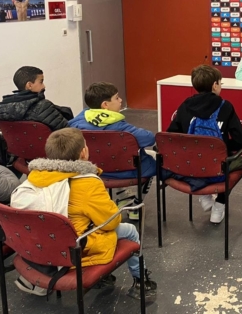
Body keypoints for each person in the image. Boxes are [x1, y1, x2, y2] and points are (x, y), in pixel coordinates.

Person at [10, 128, 157, 299]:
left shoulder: (35, 176)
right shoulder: (87, 183)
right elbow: (111, 222)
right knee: (130, 231)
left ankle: (104, 279)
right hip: (76, 247)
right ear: (84, 152)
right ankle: (141, 282)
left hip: (41, 244)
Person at [167, 65, 242, 224]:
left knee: (196, 159)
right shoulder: (225, 106)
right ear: (215, 85)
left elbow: (171, 136)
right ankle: (219, 205)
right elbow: (241, 140)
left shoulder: (185, 105)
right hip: (217, 169)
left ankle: (204, 195)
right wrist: (222, 147)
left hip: (186, 167)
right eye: (220, 83)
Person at [69, 82, 156, 219]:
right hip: (125, 170)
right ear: (105, 105)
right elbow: (149, 138)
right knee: (153, 158)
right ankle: (135, 205)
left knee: (110, 154)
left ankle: (123, 197)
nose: (120, 100)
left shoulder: (77, 122)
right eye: (116, 98)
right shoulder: (121, 128)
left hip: (92, 169)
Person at [0, 66, 73, 130]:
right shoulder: (43, 107)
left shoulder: (3, 109)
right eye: (41, 82)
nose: (44, 86)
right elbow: (68, 132)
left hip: (15, 146)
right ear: (29, 85)